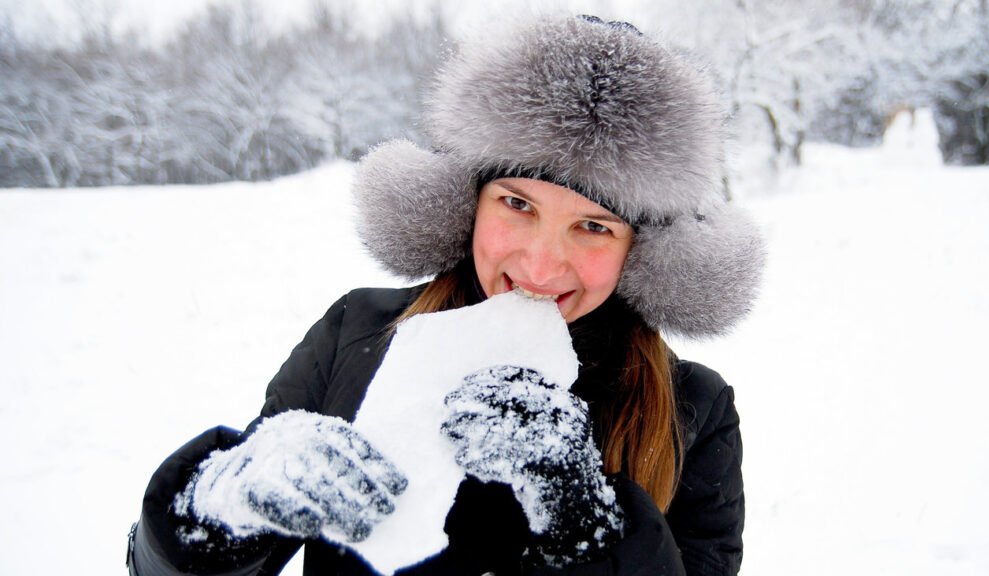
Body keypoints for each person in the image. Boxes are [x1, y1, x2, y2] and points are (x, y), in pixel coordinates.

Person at [127, 14, 764, 576]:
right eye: (517, 204)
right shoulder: (359, 334)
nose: (540, 264)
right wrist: (218, 507)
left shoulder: (692, 409)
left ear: (640, 250)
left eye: (593, 226)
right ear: (467, 204)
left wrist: (583, 522)